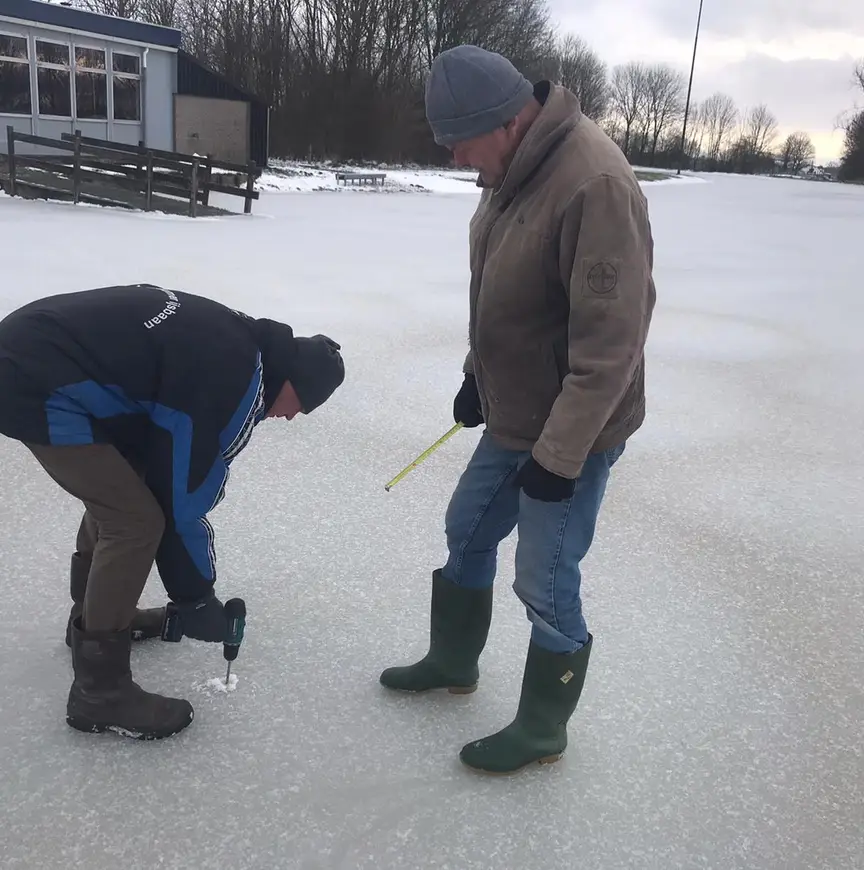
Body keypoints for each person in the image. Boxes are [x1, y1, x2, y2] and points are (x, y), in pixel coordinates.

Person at [379, 45, 656, 774]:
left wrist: (559, 460)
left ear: (505, 121)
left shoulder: (595, 184)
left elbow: (611, 347)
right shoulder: (508, 169)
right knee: (467, 528)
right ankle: (453, 662)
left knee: (545, 575)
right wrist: (478, 375)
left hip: (577, 428)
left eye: (460, 144)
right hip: (516, 409)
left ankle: (542, 729)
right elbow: (505, 294)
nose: (455, 160)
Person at [0, 284, 344, 740]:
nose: (293, 417)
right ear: (292, 383)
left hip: (35, 349)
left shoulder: (239, 341)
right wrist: (196, 597)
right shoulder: (237, 379)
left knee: (128, 484)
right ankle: (99, 692)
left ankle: (95, 615)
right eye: (303, 405)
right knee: (135, 520)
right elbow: (185, 493)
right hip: (33, 377)